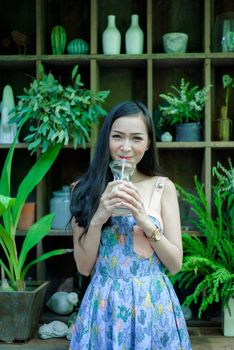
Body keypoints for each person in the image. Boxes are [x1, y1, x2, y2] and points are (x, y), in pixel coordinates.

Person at [69, 101, 192, 349]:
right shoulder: (83, 189)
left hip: (154, 304)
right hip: (104, 305)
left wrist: (144, 220)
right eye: (118, 137)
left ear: (147, 144)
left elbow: (175, 264)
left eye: (136, 138)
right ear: (107, 139)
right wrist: (99, 217)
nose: (126, 147)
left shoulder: (162, 187)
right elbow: (83, 267)